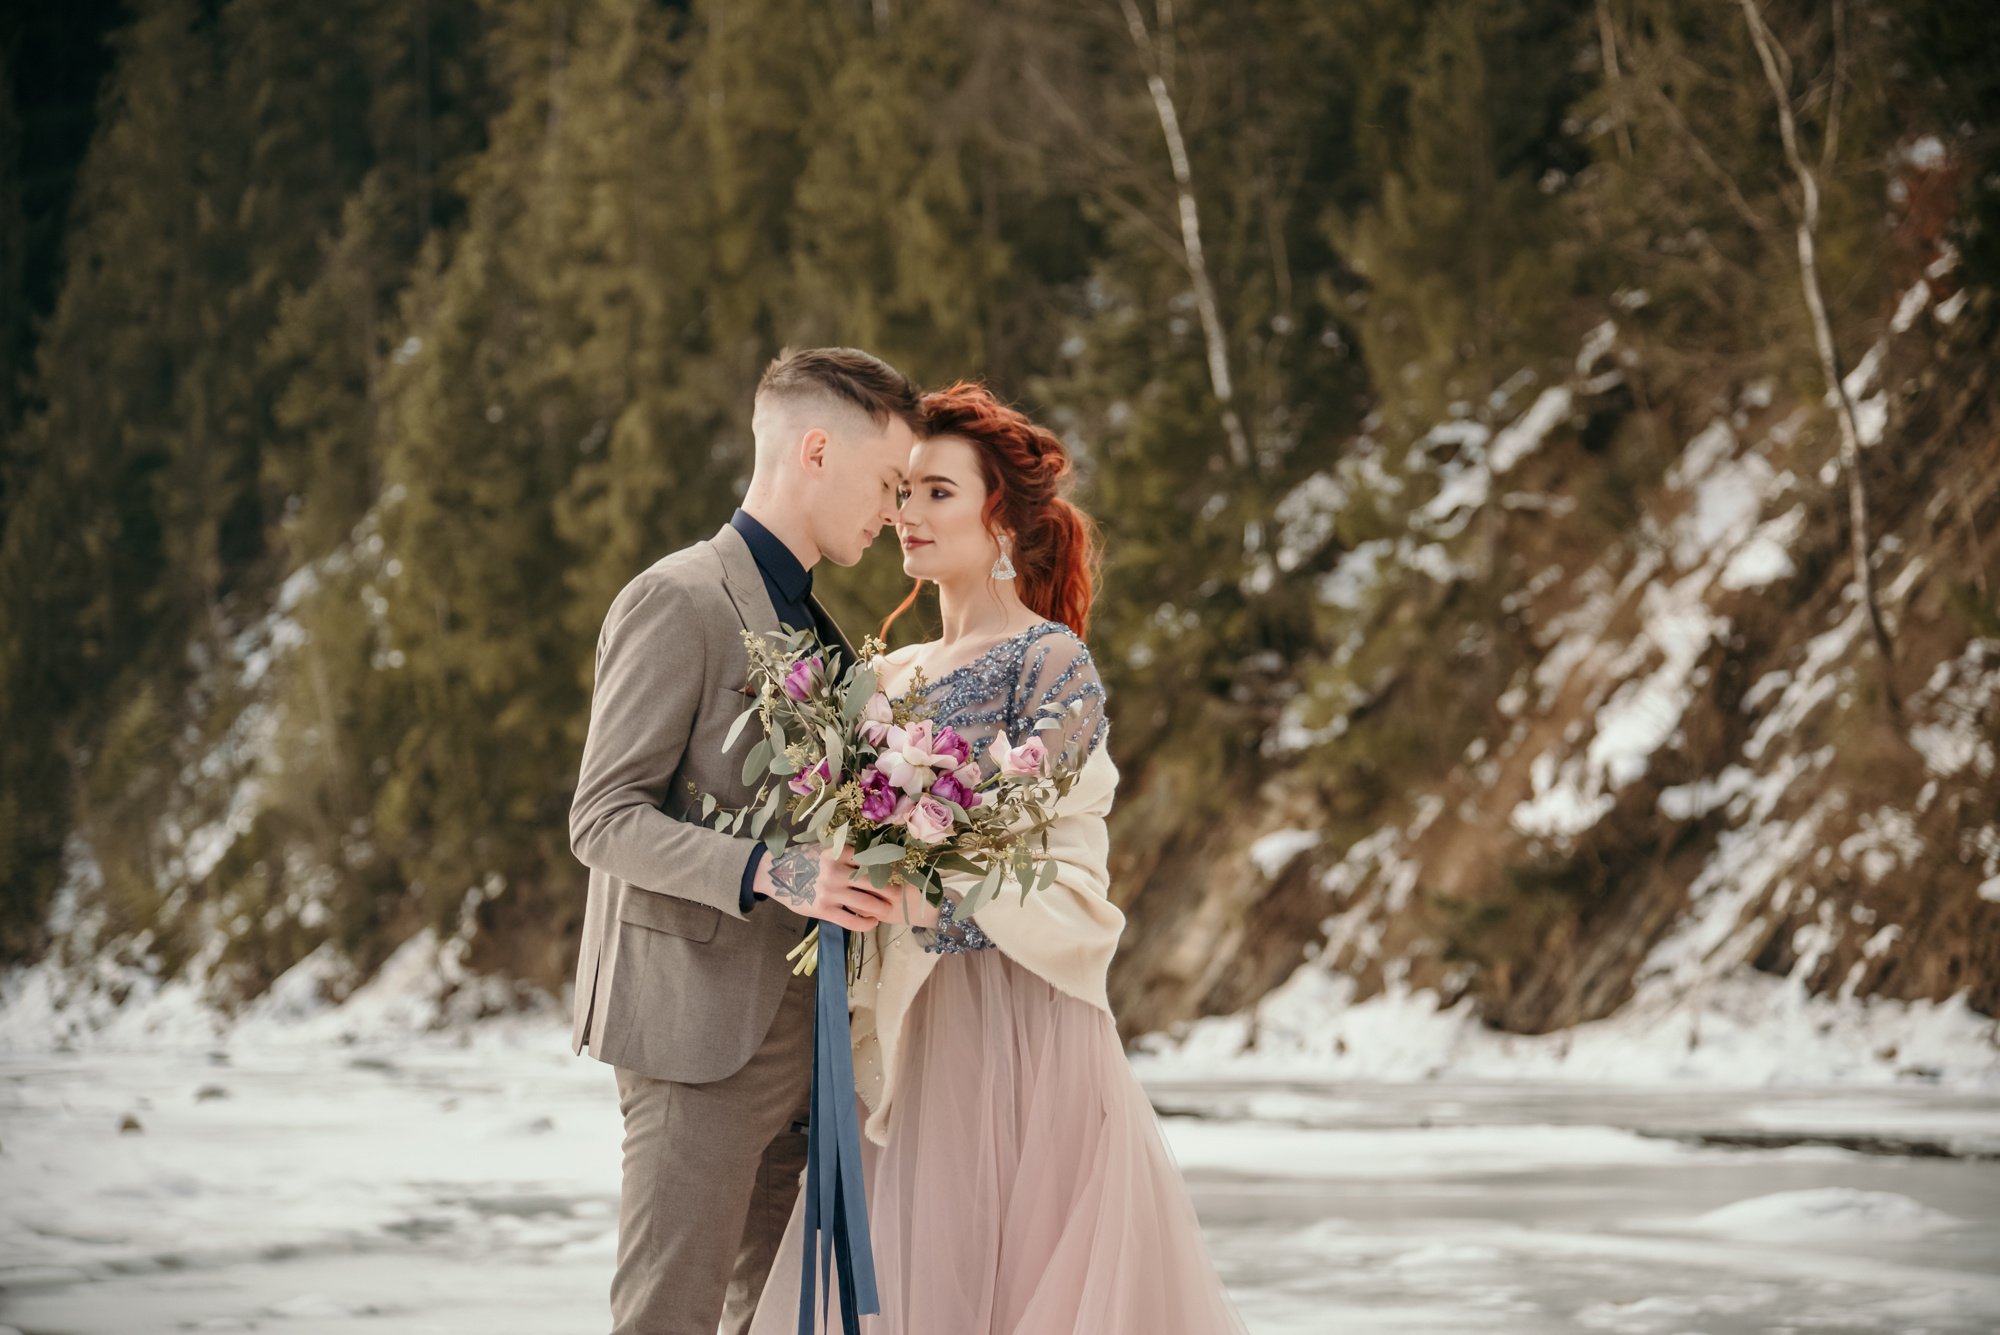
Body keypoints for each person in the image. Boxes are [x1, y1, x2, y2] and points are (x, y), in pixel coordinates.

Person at [750, 382, 1248, 1334]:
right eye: (902, 490)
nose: (907, 513)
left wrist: (927, 899)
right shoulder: (884, 674)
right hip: (913, 1026)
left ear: (1001, 517)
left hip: (1023, 1028)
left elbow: (1057, 856)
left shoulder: (1049, 662)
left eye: (938, 491)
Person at [568, 347, 925, 1335]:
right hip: (696, 1042)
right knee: (665, 1322)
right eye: (887, 483)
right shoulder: (676, 600)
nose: (896, 513)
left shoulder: (819, 627)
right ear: (815, 450)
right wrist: (773, 870)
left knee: (779, 1324)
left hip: (806, 1044)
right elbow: (601, 816)